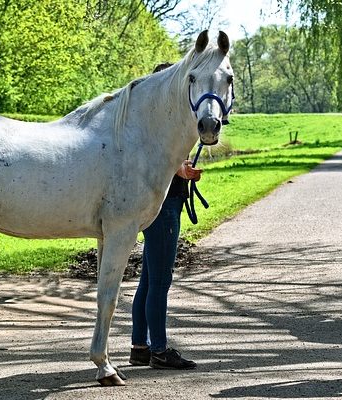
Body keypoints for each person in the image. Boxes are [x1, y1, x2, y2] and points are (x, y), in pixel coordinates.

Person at [129, 62, 202, 370]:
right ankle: (159, 350)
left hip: (158, 203)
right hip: (164, 205)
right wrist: (179, 169)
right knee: (160, 280)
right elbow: (157, 159)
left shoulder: (150, 121)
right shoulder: (158, 123)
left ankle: (140, 347)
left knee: (148, 280)